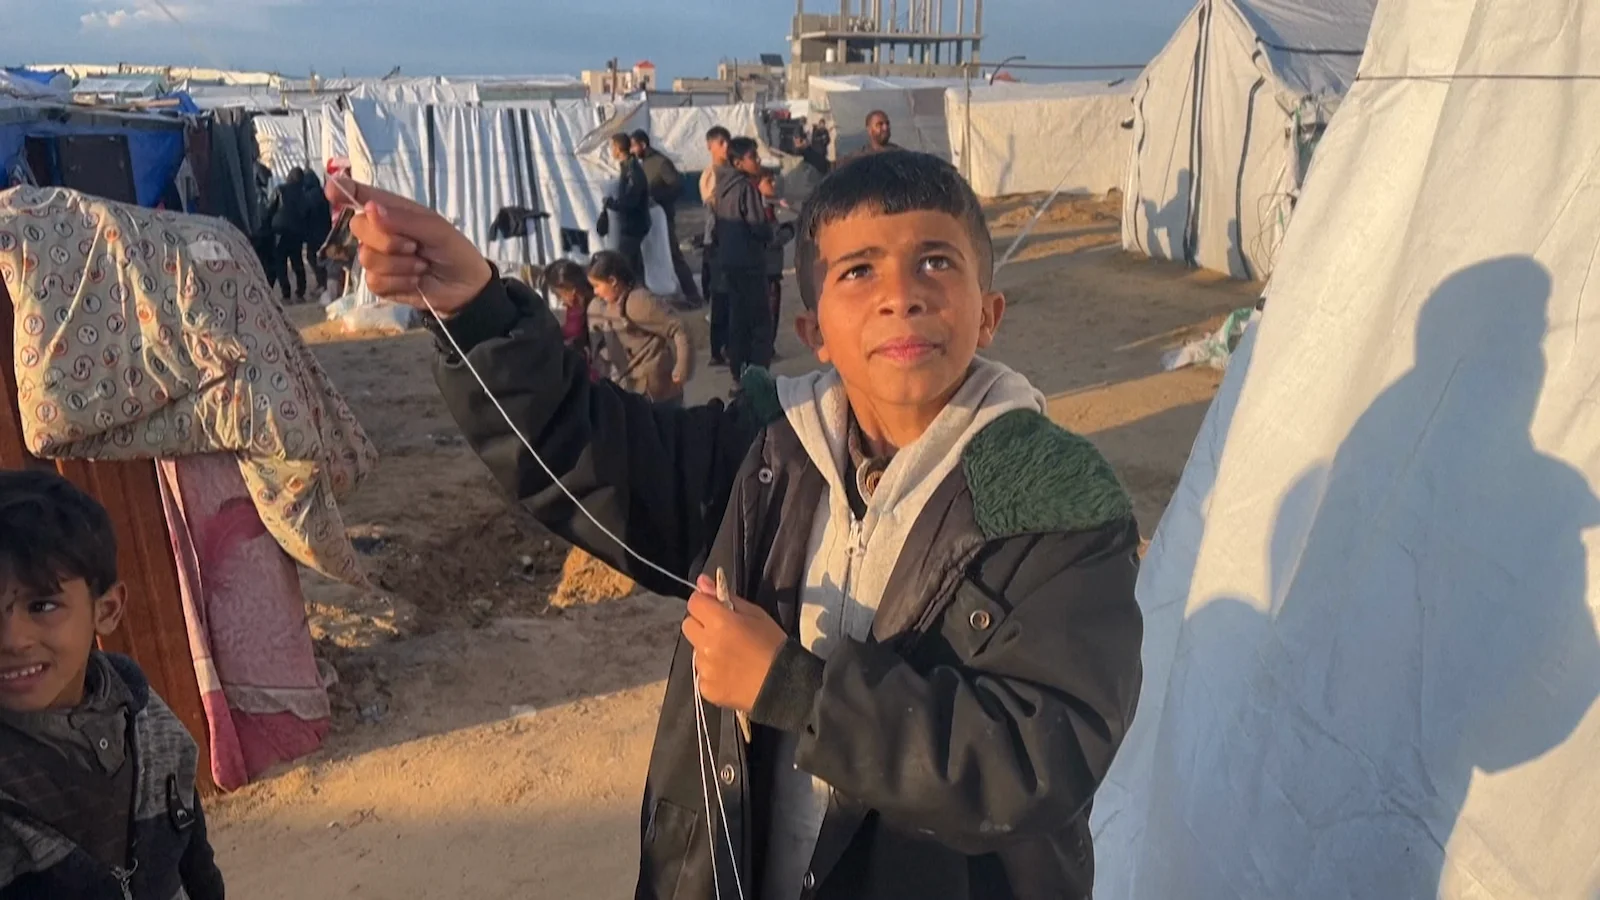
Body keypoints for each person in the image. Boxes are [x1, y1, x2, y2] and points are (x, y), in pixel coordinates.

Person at [330, 148, 1143, 900]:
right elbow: (583, 450)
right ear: (814, 332)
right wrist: (475, 307)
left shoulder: (1055, 505)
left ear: (989, 313)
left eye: (935, 261)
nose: (902, 294)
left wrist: (792, 689)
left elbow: (1041, 759)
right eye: (859, 270)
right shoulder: (761, 453)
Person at [0, 470, 226, 900]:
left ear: (106, 611)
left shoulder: (144, 715)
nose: (13, 641)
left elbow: (194, 856)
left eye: (42, 605)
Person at [585, 250, 694, 407]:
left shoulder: (639, 302)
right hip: (630, 388)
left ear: (613, 281)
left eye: (597, 286)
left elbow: (679, 328)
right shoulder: (601, 306)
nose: (595, 292)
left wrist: (682, 368)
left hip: (656, 391)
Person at [712, 137, 773, 380]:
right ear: (738, 162)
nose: (758, 161)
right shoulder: (746, 188)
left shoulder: (721, 188)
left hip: (730, 263)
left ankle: (739, 375)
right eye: (753, 157)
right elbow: (758, 227)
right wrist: (773, 231)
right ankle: (759, 377)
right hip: (750, 264)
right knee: (759, 324)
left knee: (738, 322)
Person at [631, 130, 701, 307]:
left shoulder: (661, 162)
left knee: (674, 254)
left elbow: (677, 186)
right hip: (647, 218)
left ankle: (693, 296)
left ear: (643, 145)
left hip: (663, 218)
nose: (632, 150)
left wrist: (656, 197)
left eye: (634, 146)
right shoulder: (640, 164)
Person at [756, 168, 796, 360]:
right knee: (768, 313)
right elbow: (772, 239)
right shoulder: (762, 210)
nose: (773, 185)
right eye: (768, 181)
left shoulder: (770, 207)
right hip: (767, 269)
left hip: (770, 268)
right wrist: (791, 229)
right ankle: (766, 349)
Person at [701, 126, 733, 365]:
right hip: (716, 241)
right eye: (720, 142)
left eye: (727, 141)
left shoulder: (731, 172)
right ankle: (718, 349)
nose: (725, 146)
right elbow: (713, 206)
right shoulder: (711, 175)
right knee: (721, 298)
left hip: (728, 240)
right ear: (709, 146)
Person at [603, 133, 651, 279]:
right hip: (633, 224)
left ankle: (634, 289)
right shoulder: (629, 168)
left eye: (612, 147)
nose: (611, 150)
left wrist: (610, 203)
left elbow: (630, 201)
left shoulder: (632, 171)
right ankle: (639, 288)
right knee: (634, 264)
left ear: (618, 148)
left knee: (627, 265)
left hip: (634, 225)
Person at [543, 258, 598, 375]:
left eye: (559, 295)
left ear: (572, 290)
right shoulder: (575, 307)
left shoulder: (596, 308)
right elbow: (570, 332)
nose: (561, 302)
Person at [264, 167, 309, 303]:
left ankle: (286, 294)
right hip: (297, 233)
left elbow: (269, 209)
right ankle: (300, 293)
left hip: (280, 231)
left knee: (281, 263)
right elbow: (305, 213)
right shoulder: (303, 194)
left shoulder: (280, 189)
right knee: (297, 262)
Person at [301, 170, 333, 301]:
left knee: (312, 257)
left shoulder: (308, 196)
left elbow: (305, 214)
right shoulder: (323, 193)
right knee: (323, 257)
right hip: (325, 231)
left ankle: (322, 283)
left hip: (314, 233)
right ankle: (323, 283)